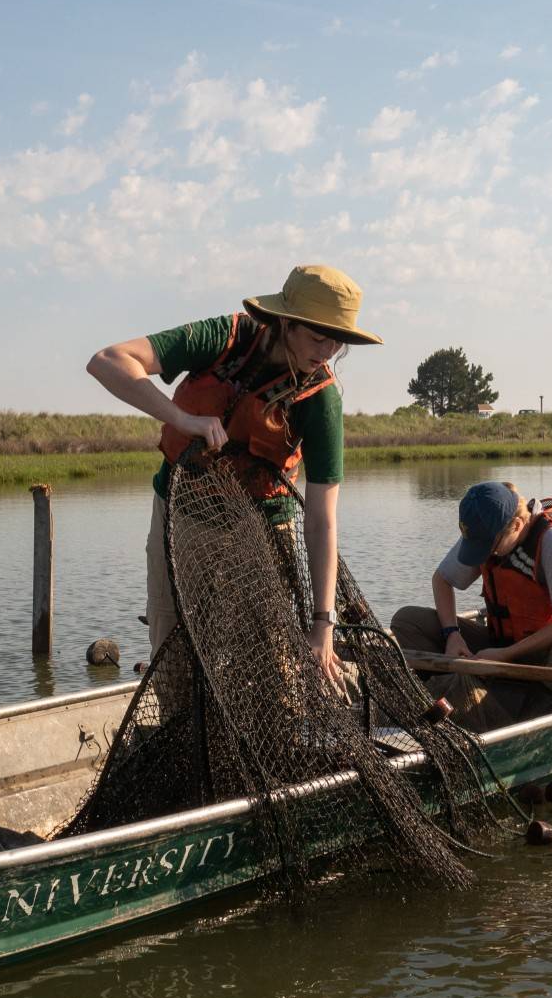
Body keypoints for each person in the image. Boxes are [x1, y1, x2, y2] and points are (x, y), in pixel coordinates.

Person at [86, 264, 382, 690]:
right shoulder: (224, 338)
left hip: (262, 530)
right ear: (285, 322)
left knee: (269, 667)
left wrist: (323, 623)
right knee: (174, 654)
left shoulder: (321, 401)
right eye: (319, 336)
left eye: (338, 339)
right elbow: (108, 361)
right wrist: (182, 418)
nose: (329, 349)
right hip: (182, 517)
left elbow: (321, 519)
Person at [391, 481, 552, 731]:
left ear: (516, 525)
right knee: (408, 621)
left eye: (488, 547)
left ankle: (531, 712)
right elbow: (442, 580)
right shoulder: (486, 532)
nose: (483, 554)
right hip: (501, 648)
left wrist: (505, 656)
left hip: (551, 654)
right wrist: (452, 636)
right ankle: (490, 695)